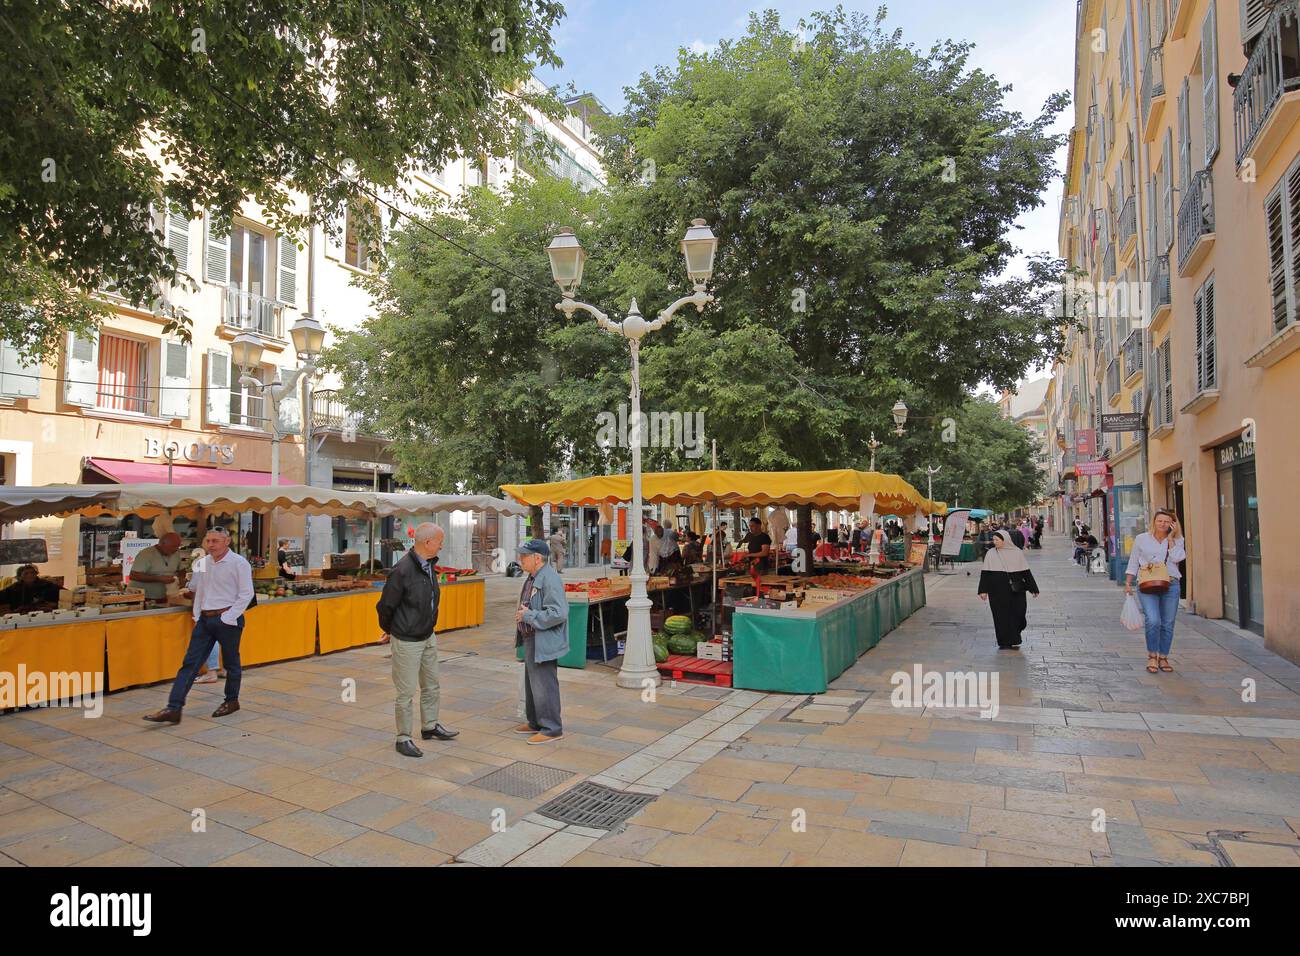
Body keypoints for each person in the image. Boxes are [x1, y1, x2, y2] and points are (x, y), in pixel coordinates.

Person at [143, 527, 253, 724]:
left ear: (227, 542)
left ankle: (231, 700)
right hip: (204, 619)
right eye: (208, 541)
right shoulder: (201, 563)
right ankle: (173, 708)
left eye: (215, 541)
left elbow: (246, 594)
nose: (210, 545)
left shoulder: (239, 563)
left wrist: (229, 617)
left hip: (227, 619)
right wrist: (196, 614)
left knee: (231, 663)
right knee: (190, 664)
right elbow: (195, 588)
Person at [375, 523, 458, 757]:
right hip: (407, 640)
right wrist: (391, 629)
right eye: (440, 541)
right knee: (406, 692)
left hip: (427, 635)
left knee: (432, 685)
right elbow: (385, 606)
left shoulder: (429, 566)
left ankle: (430, 726)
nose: (442, 544)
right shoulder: (402, 570)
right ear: (428, 542)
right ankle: (403, 738)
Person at [512, 539, 568, 744]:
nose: (520, 559)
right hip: (532, 637)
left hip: (543, 638)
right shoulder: (533, 576)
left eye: (524, 556)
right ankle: (535, 721)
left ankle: (552, 728)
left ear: (537, 558)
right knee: (532, 682)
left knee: (544, 683)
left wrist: (528, 616)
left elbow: (558, 613)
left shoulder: (549, 579)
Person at [1126, 509, 1187, 675]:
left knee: (1167, 623)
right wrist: (1128, 582)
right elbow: (1133, 562)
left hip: (1171, 584)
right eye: (1160, 521)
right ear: (1154, 522)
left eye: (1167, 522)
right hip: (1146, 584)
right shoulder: (1141, 539)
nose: (1163, 524)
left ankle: (1164, 657)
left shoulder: (1177, 539)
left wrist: (1171, 540)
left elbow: (1178, 558)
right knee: (1153, 620)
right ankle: (1152, 655)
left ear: (1173, 524)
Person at [978, 529, 1039, 649]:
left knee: (1019, 614)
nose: (994, 542)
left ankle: (1015, 635)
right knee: (1000, 616)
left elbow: (1026, 573)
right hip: (996, 591)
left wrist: (1033, 588)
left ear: (1005, 540)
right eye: (993, 540)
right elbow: (985, 574)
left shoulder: (1017, 552)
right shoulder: (991, 553)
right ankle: (1004, 641)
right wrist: (983, 590)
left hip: (1016, 591)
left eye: (997, 540)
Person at [128, 532, 184, 602]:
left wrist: (181, 578)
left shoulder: (176, 553)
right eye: (173, 546)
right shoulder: (146, 554)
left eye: (177, 546)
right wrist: (159, 578)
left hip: (164, 597)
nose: (176, 549)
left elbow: (182, 570)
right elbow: (134, 575)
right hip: (143, 597)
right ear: (162, 544)